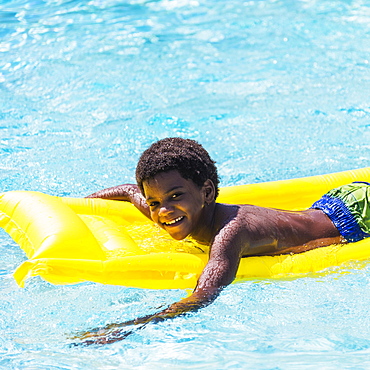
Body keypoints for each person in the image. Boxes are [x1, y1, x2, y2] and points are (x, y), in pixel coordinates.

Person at [76, 137, 370, 345]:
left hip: (354, 219)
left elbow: (202, 296)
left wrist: (126, 328)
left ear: (206, 192)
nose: (163, 211)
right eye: (155, 202)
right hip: (330, 203)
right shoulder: (166, 212)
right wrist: (74, 206)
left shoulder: (231, 233)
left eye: (175, 196)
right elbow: (129, 191)